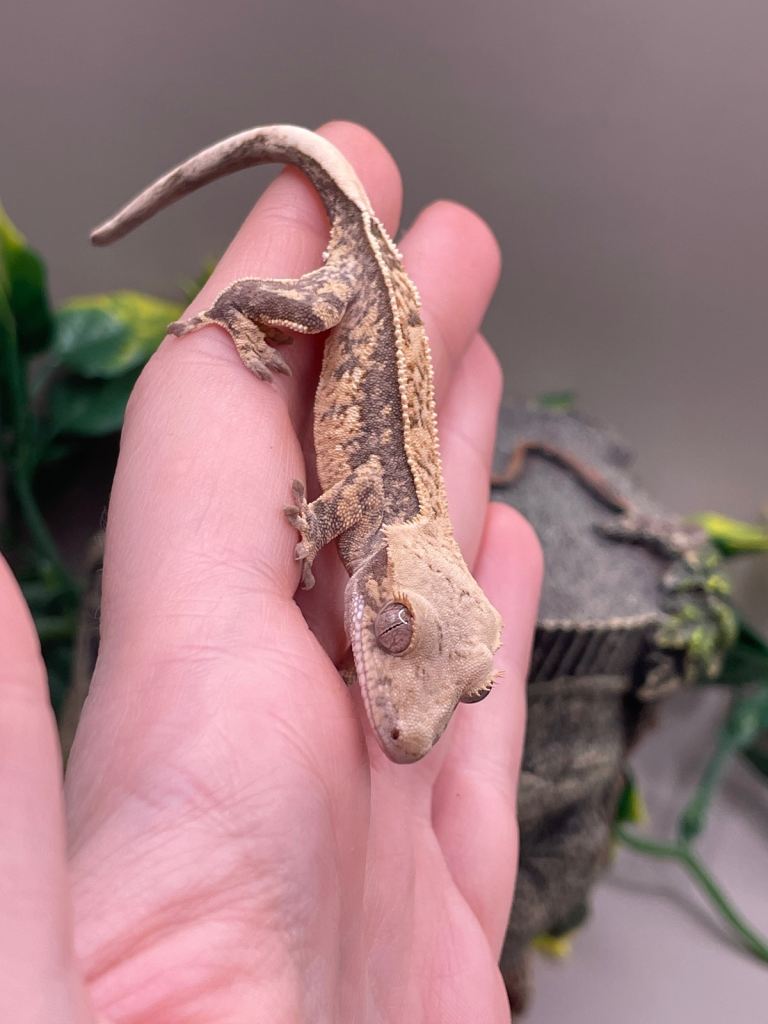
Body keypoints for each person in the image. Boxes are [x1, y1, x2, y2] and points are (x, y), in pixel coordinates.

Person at [0, 122, 542, 1022]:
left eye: (465, 688)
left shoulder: (408, 552)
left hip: (383, 339)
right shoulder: (388, 528)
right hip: (361, 293)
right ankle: (231, 309)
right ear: (394, 598)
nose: (414, 734)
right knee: (297, 306)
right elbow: (359, 485)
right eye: (398, 631)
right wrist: (315, 529)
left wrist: (321, 546)